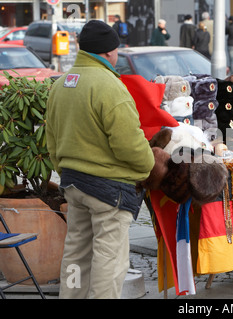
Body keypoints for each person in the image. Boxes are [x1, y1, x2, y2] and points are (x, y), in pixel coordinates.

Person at [46, 20, 155, 299]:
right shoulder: (110, 86)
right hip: (109, 189)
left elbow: (52, 139)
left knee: (75, 252)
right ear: (109, 52)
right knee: (110, 259)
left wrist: (65, 169)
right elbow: (129, 143)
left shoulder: (61, 85)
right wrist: (147, 167)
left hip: (73, 182)